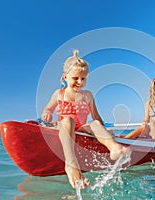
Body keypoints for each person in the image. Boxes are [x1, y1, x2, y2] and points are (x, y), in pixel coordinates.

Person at [41, 50, 130, 189]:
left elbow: (96, 117)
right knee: (68, 120)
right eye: (75, 78)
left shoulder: (87, 96)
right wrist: (46, 112)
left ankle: (114, 148)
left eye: (83, 79)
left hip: (81, 130)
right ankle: (71, 164)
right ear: (65, 77)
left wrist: (106, 133)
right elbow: (48, 109)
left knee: (94, 124)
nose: (80, 82)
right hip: (63, 128)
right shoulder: (59, 94)